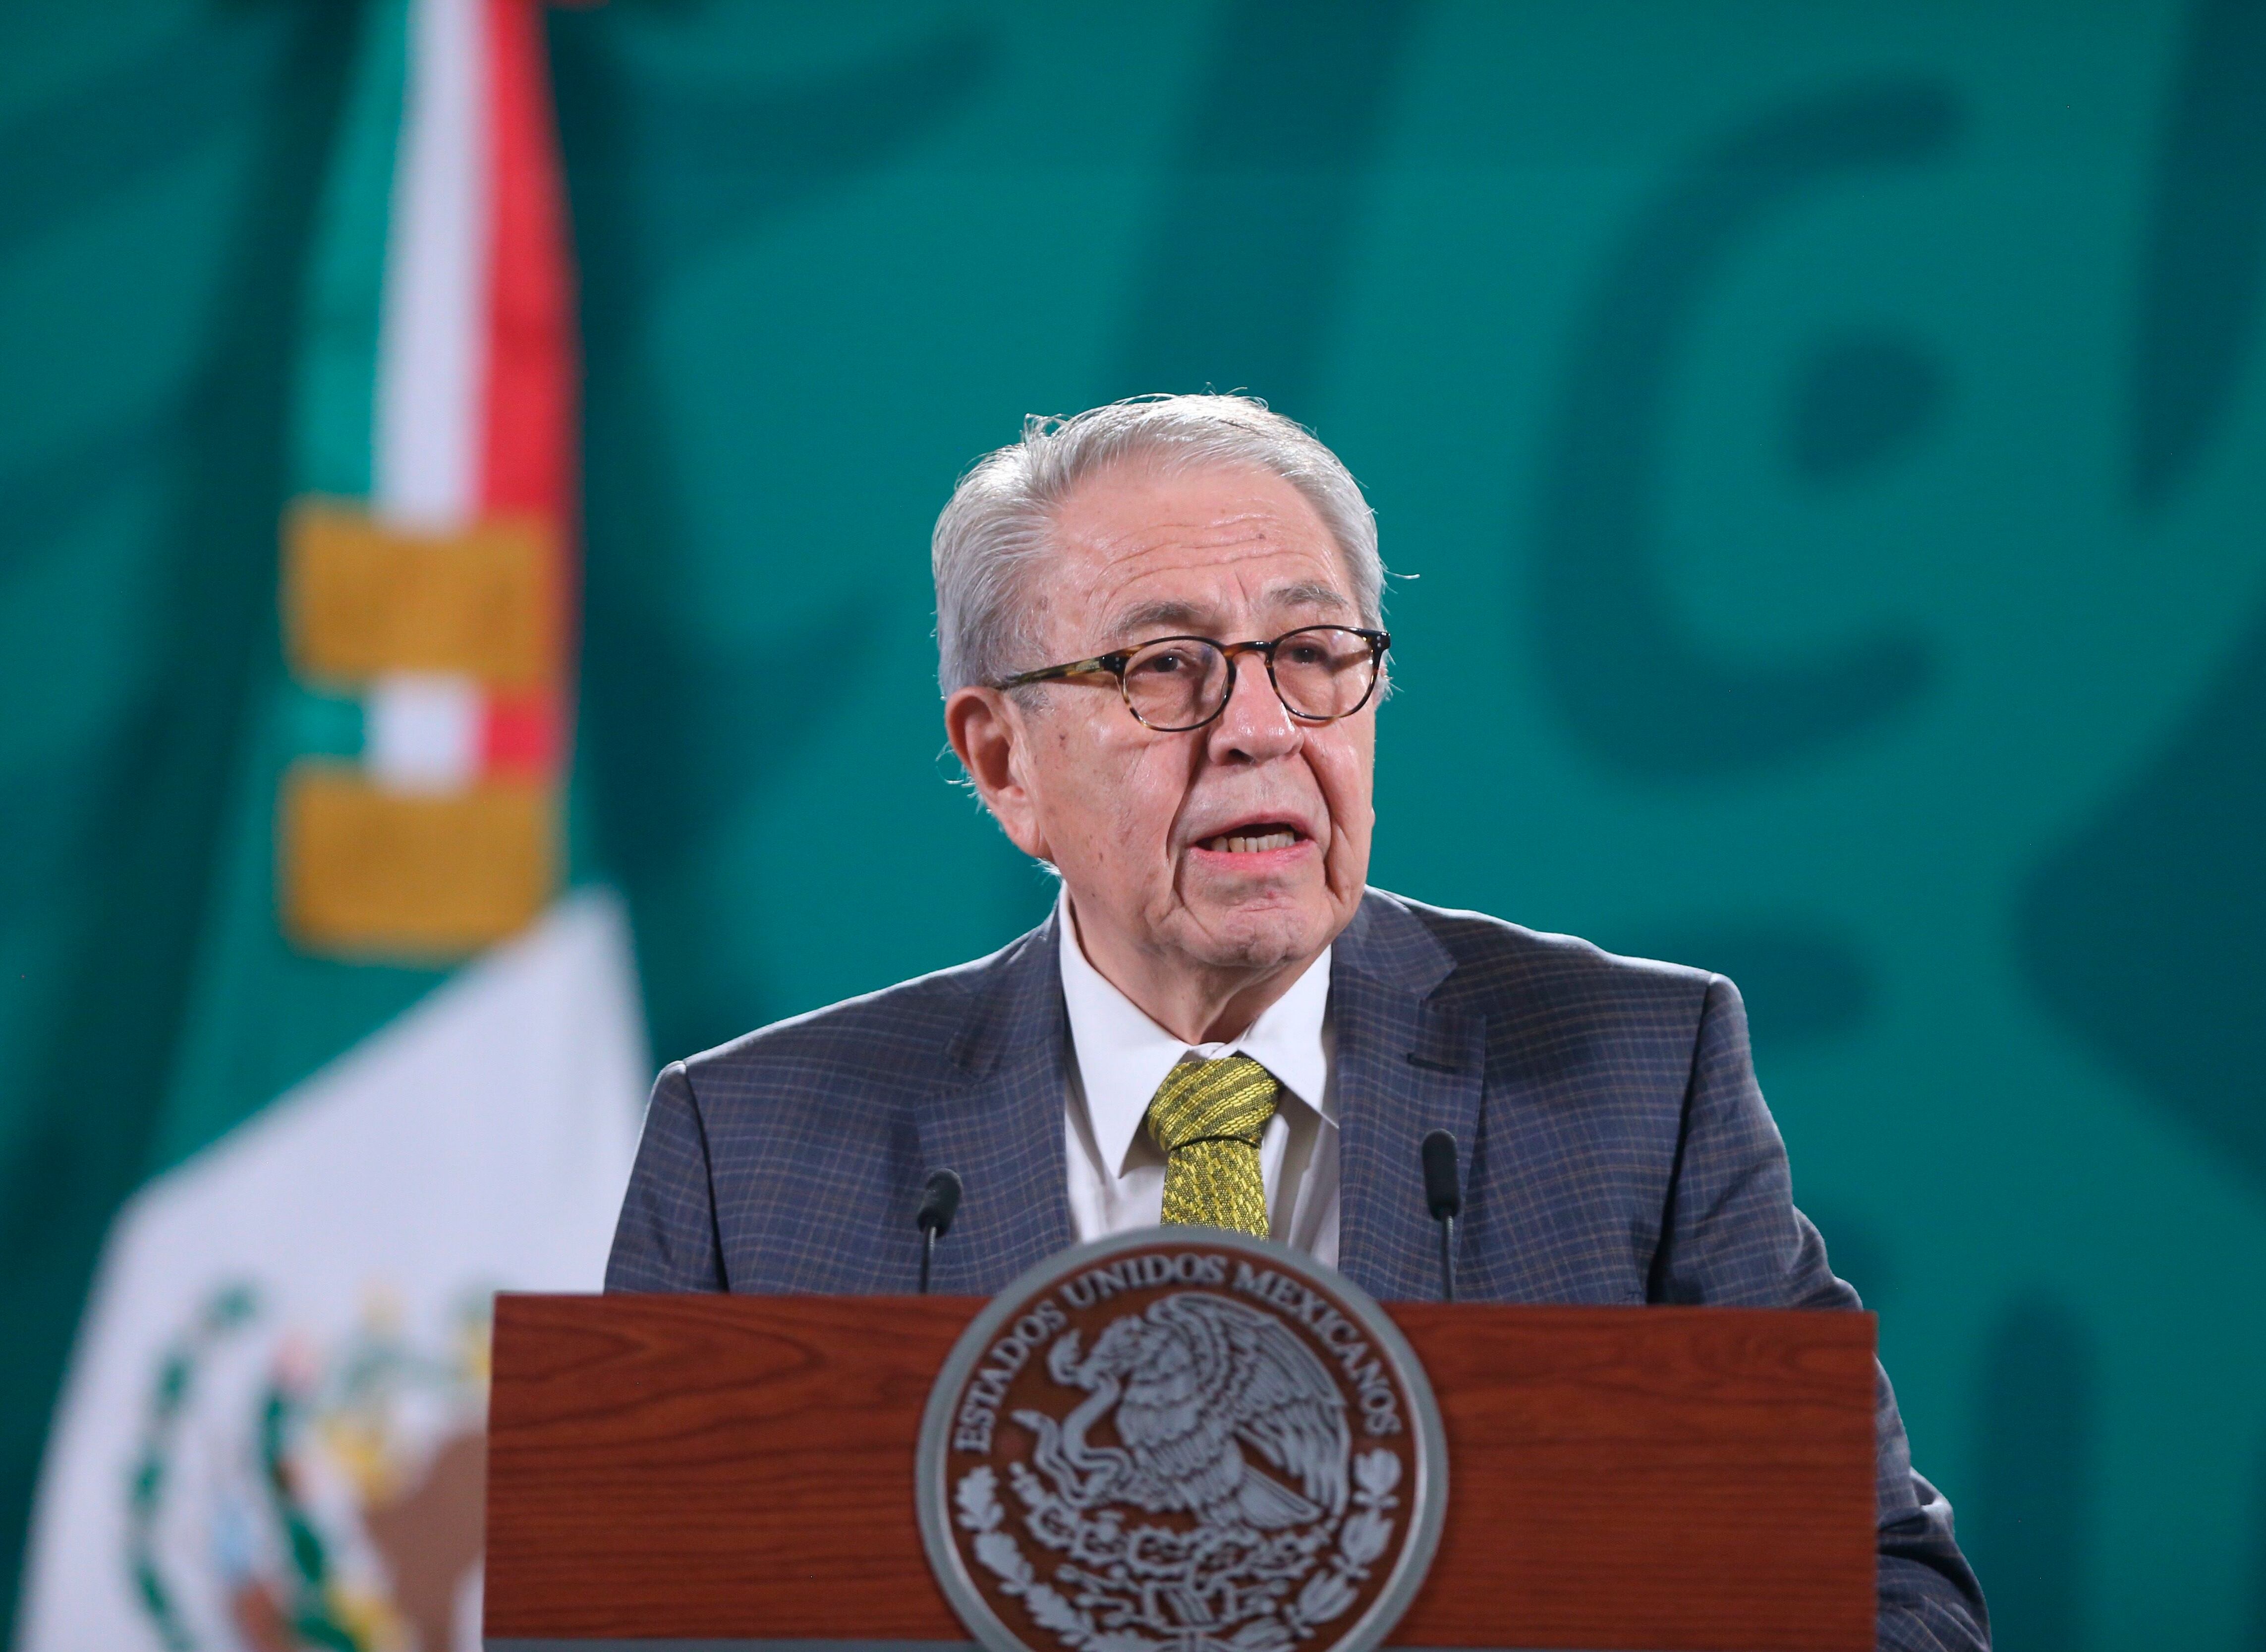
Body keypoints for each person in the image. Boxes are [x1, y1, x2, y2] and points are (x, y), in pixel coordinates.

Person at [606, 394, 1988, 1650]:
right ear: (1001, 759)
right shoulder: (754, 1152)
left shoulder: (1638, 1081)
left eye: (1316, 653)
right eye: (1164, 669)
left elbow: (1888, 1594)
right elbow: (611, 1629)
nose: (1262, 727)